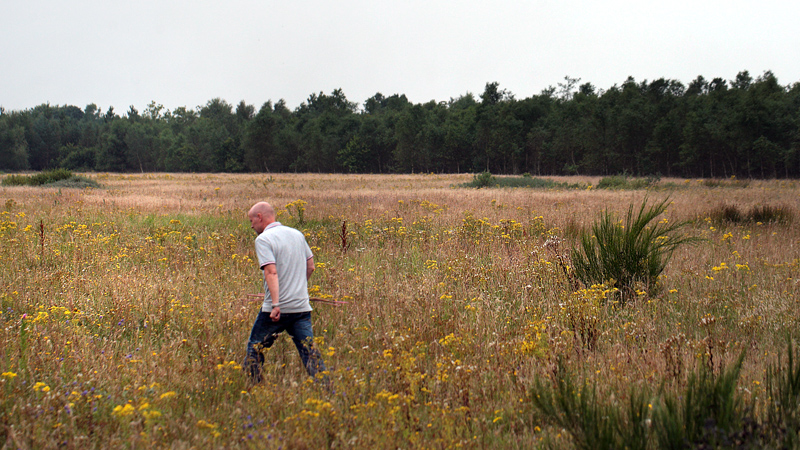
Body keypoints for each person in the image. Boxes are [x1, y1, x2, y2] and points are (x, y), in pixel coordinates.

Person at [243, 201, 326, 384]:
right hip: (301, 307)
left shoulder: (264, 239)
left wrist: (276, 304)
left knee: (254, 351)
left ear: (260, 217)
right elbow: (310, 266)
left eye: (251, 221)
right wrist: (296, 289)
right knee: (310, 353)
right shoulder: (297, 234)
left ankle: (253, 389)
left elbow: (271, 272)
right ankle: (327, 390)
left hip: (276, 310)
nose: (251, 225)